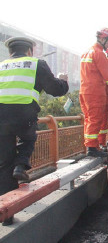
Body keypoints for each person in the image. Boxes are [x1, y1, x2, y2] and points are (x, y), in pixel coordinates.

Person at [0, 37, 69, 225]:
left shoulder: (2, 66)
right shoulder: (36, 63)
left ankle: (7, 216)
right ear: (30, 50)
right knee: (28, 139)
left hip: (1, 118)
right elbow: (55, 89)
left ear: (10, 52)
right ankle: (21, 165)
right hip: (24, 114)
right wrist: (64, 81)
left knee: (3, 165)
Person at [80, 28, 108, 157]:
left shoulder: (86, 52)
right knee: (95, 119)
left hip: (84, 91)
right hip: (95, 92)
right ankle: (92, 148)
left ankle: (91, 145)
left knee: (89, 119)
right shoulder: (98, 54)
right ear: (103, 39)